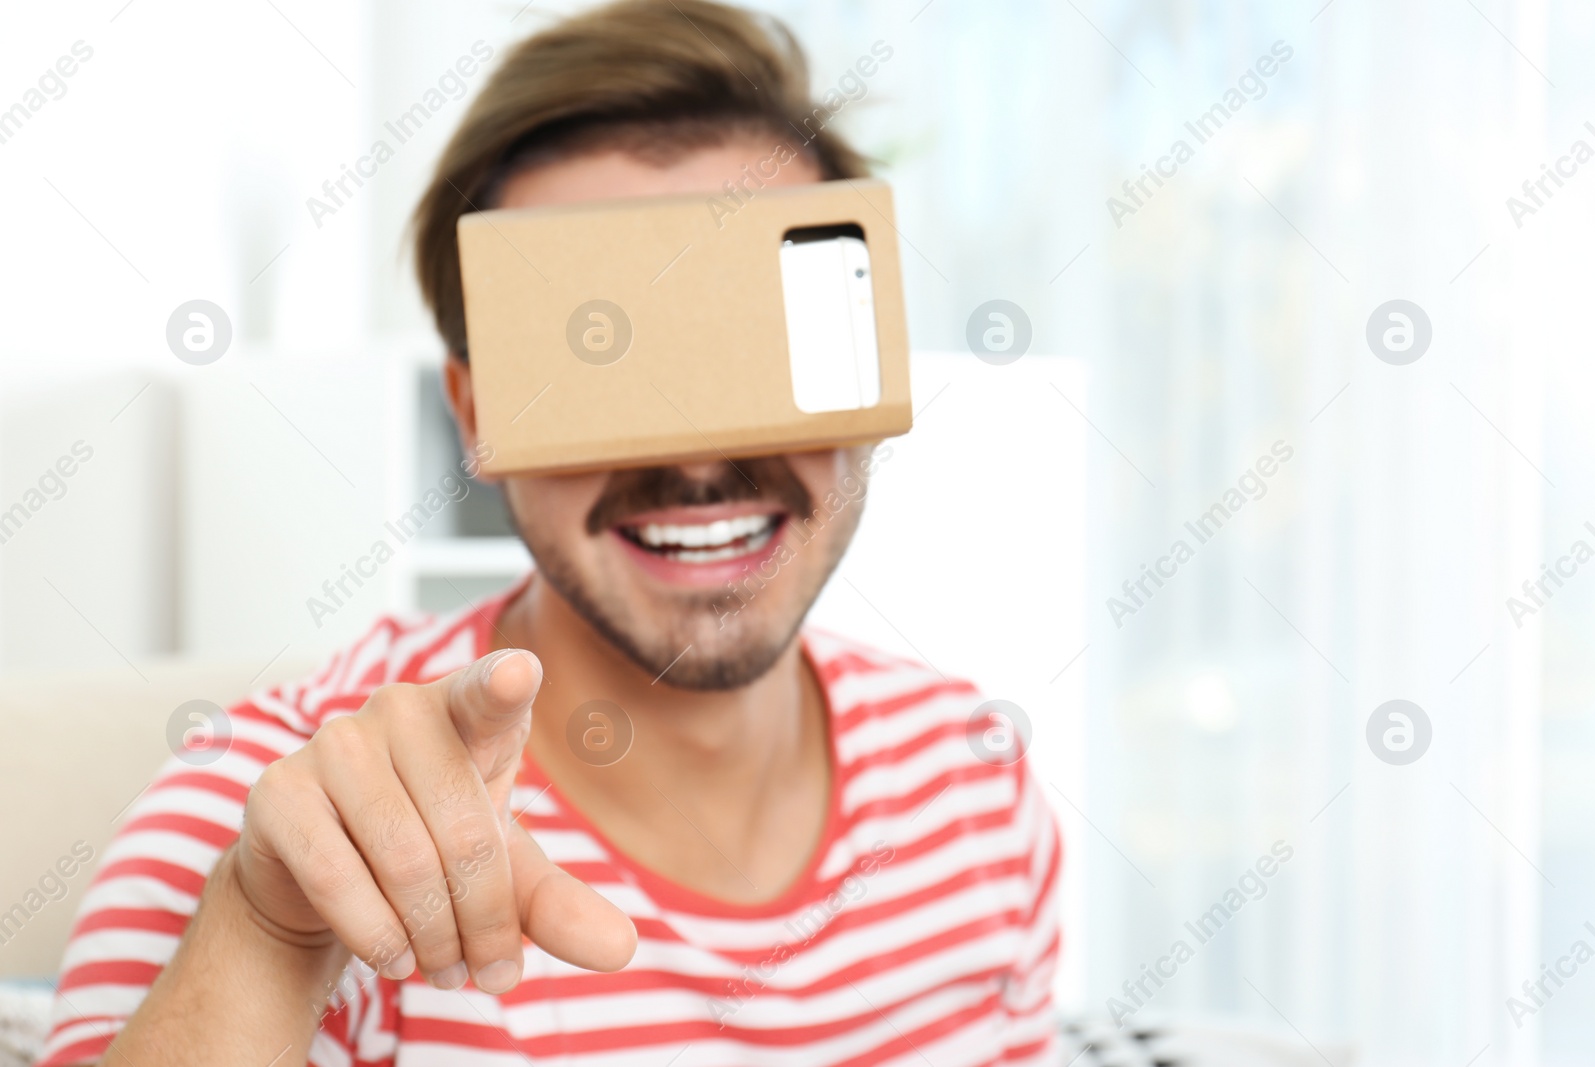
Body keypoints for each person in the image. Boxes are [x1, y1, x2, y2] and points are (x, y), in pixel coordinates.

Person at [40, 2, 1060, 1063]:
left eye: (755, 342)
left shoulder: (971, 778)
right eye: (600, 347)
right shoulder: (276, 822)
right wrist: (262, 935)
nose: (702, 459)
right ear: (477, 414)